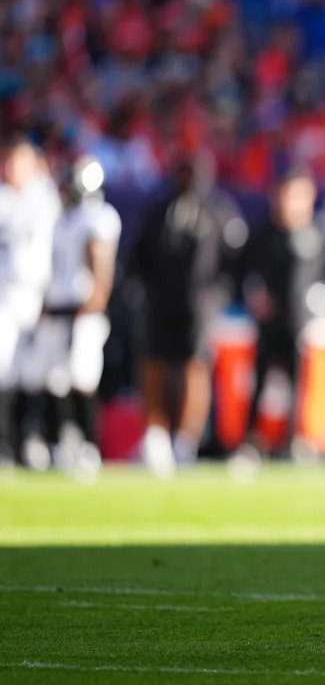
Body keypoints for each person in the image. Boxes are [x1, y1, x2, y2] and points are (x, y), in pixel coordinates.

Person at [128, 157, 245, 477]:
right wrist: (143, 291)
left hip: (199, 305)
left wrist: (216, 296)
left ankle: (186, 440)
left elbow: (234, 257)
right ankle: (156, 436)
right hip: (160, 303)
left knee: (194, 367)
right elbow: (138, 255)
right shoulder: (160, 210)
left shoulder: (218, 210)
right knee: (154, 366)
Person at [232, 168, 325, 466]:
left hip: (304, 324)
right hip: (269, 324)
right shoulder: (264, 234)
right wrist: (253, 295)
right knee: (260, 383)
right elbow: (239, 271)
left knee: (304, 386)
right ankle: (253, 442)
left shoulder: (321, 233)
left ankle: (298, 442)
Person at [23, 157, 120, 481]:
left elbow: (100, 258)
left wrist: (97, 298)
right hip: (58, 304)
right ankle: (59, 441)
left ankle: (89, 445)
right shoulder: (62, 217)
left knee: (83, 378)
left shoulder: (98, 216)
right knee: (53, 379)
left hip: (83, 306)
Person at [0, 137, 60, 470]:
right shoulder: (4, 199)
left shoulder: (43, 198)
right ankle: (6, 442)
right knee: (5, 367)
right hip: (4, 292)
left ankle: (33, 439)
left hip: (38, 294)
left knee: (36, 373)